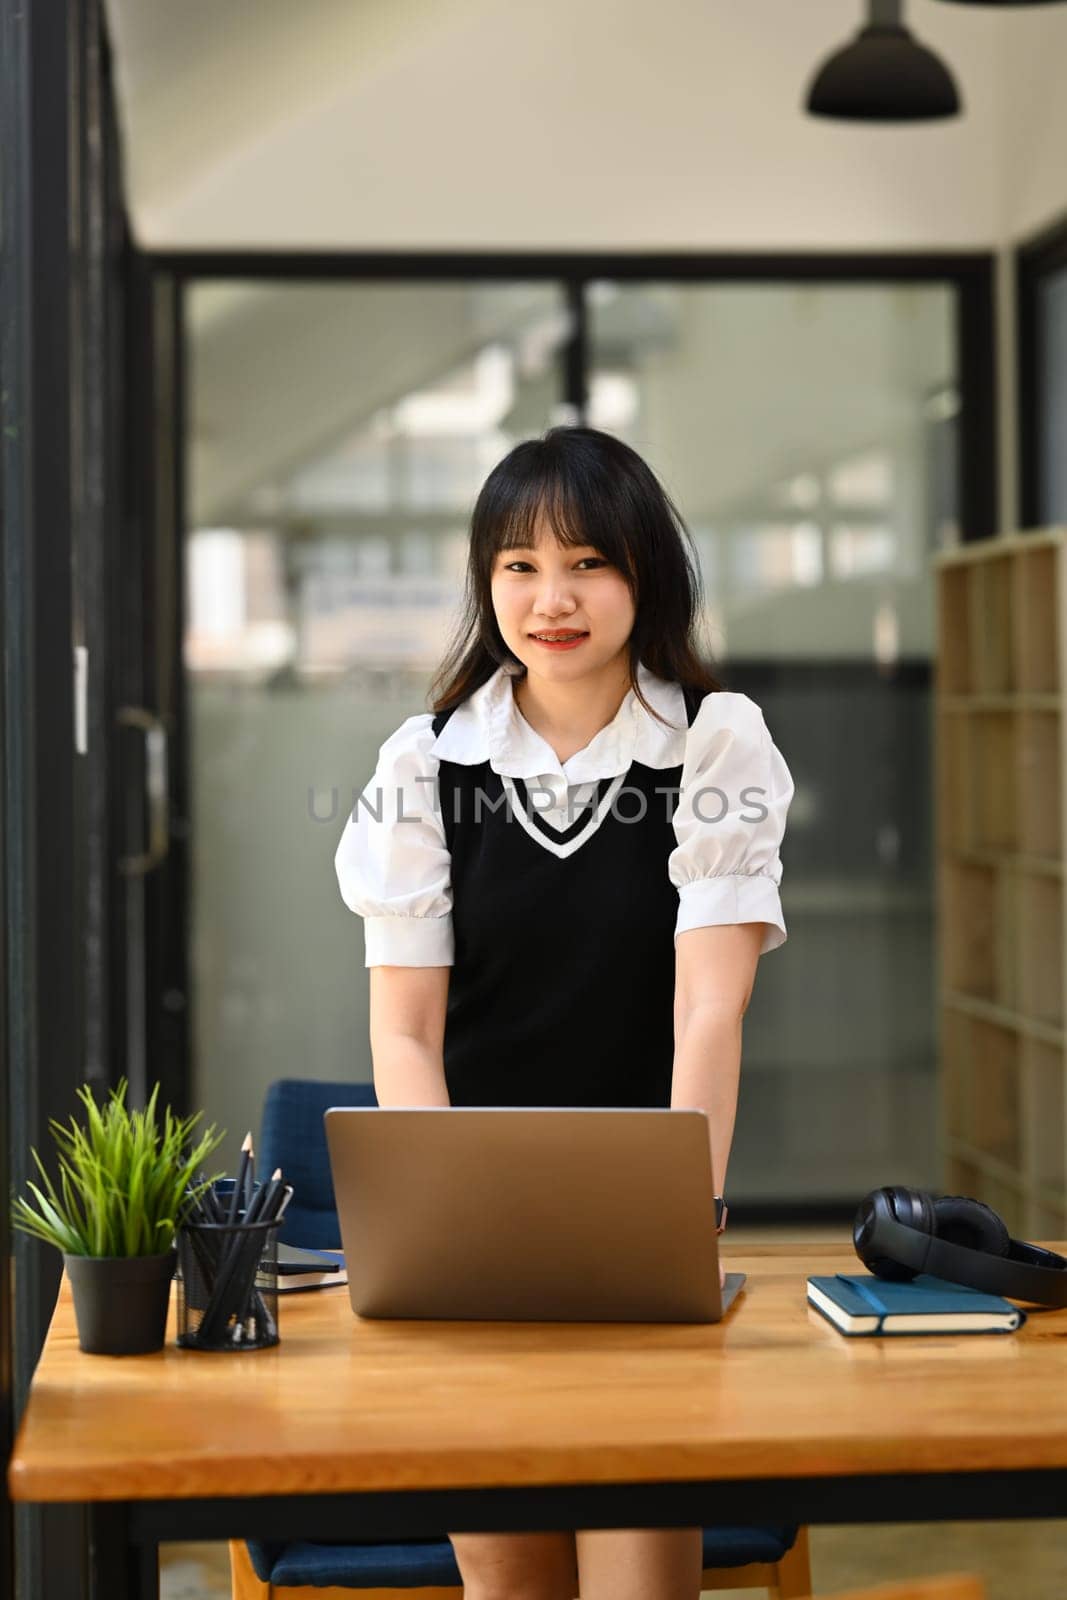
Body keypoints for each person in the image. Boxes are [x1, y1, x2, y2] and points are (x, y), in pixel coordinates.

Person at [334, 425, 795, 1600]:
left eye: (587, 562)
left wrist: (681, 1217)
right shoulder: (422, 765)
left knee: (637, 1579)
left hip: (637, 1238)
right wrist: (446, 1231)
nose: (551, 598)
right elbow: (404, 1032)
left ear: (645, 574)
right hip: (471, 1245)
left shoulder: (713, 744)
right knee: (507, 1577)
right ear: (486, 583)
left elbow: (706, 1014)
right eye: (518, 566)